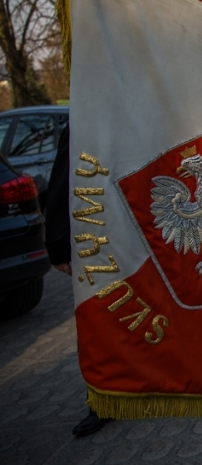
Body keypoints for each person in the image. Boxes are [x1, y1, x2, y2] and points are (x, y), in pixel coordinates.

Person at [44, 125, 115, 438]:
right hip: (99, 232)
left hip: (139, 227)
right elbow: (62, 184)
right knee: (99, 319)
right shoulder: (84, 118)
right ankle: (103, 398)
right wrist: (58, 244)